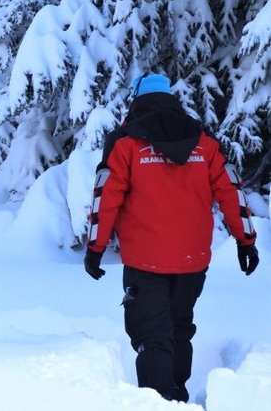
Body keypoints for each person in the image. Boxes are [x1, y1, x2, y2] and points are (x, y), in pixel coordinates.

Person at [85, 73, 259, 402]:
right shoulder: (204, 142)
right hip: (192, 261)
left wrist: (95, 248)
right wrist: (245, 241)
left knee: (152, 334)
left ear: (136, 100)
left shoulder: (125, 143)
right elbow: (230, 191)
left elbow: (105, 196)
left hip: (144, 261)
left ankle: (159, 404)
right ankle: (177, 396)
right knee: (179, 327)